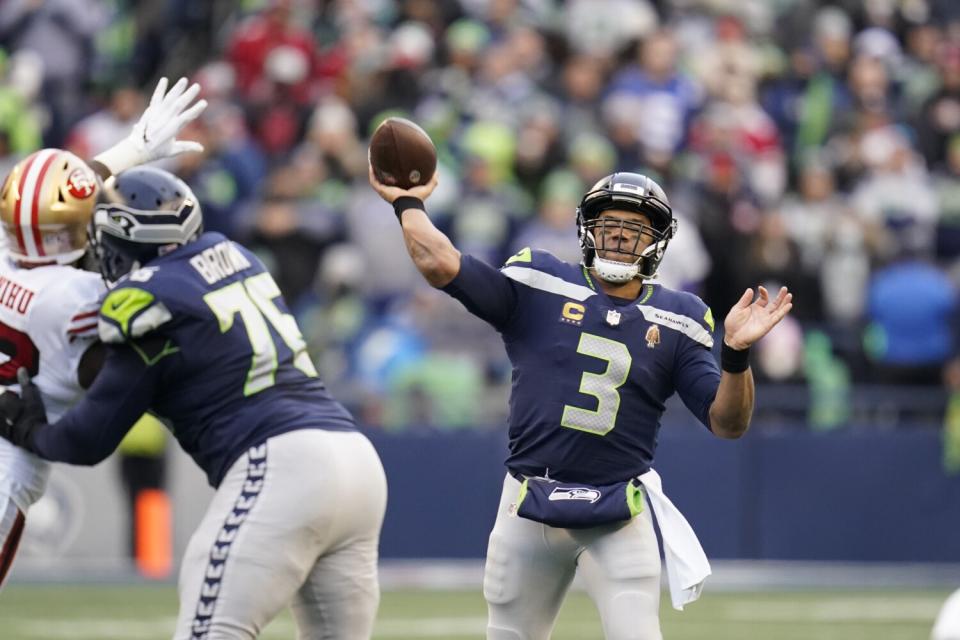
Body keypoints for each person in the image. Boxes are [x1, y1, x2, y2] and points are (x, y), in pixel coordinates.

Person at [369, 168, 793, 639]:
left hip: (617, 510)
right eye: (609, 226)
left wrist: (735, 353)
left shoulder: (681, 317)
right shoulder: (540, 281)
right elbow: (441, 264)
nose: (618, 239)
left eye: (633, 230)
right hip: (528, 503)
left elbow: (728, 423)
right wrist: (408, 203)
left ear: (657, 241)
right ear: (587, 229)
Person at [0, 166, 387, 638]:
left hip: (281, 466)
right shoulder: (237, 255)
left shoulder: (144, 300)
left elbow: (88, 439)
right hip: (356, 460)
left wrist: (29, 430)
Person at [0, 76, 207, 588]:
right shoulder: (76, 300)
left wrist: (130, 150)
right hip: (10, 462)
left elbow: (53, 203)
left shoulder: (10, 259)